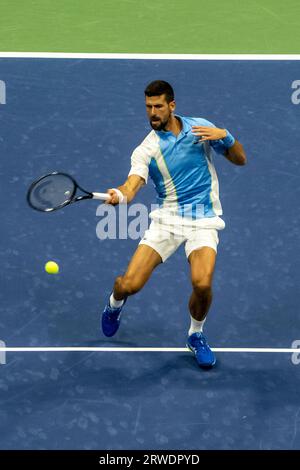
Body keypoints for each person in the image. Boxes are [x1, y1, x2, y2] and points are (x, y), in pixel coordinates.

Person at [101, 80, 247, 368]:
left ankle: (195, 335)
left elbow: (240, 159)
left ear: (171, 106)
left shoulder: (200, 128)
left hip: (203, 218)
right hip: (167, 220)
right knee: (130, 285)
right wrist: (121, 193)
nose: (152, 113)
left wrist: (226, 137)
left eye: (157, 106)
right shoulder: (147, 148)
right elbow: (132, 185)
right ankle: (114, 304)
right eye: (148, 107)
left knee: (202, 282)